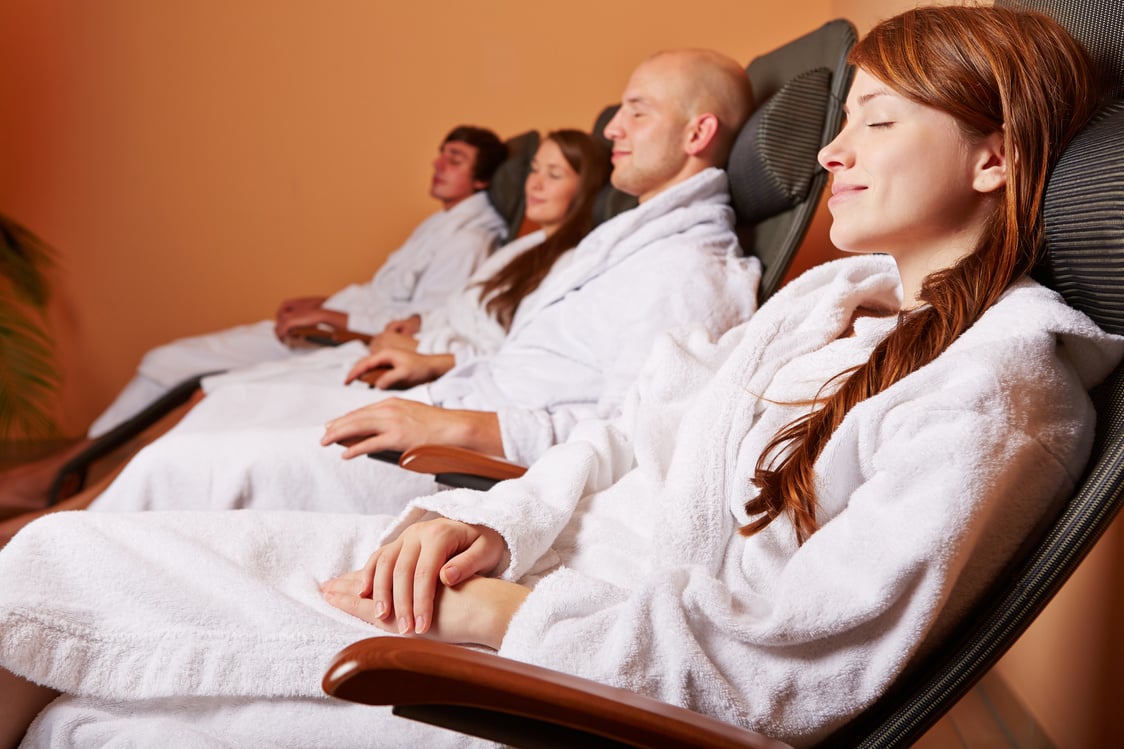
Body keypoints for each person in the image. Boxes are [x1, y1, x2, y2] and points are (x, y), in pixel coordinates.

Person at [5, 11, 1114, 745]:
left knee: (81, 714)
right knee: (58, 556)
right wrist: (501, 526)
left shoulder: (998, 393)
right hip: (538, 580)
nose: (832, 151)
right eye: (844, 116)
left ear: (992, 156)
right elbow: (634, 428)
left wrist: (508, 613)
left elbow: (784, 672)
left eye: (876, 120)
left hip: (579, 674)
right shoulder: (829, 306)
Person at [75, 48, 760, 518]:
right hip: (446, 403)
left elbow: (632, 443)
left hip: (467, 457)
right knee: (218, 415)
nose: (614, 125)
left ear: (698, 130)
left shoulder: (689, 275)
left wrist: (444, 419)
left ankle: (44, 545)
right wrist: (436, 373)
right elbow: (531, 358)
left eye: (637, 110)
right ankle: (57, 523)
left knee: (185, 467)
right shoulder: (626, 247)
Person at [0, 125, 510, 515]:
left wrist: (330, 316)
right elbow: (394, 300)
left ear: (483, 178)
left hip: (351, 347)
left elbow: (413, 323)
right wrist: (320, 302)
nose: (438, 163)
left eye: (456, 159)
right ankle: (74, 477)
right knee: (191, 383)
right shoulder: (443, 227)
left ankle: (75, 485)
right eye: (441, 152)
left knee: (195, 384)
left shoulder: (470, 240)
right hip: (344, 332)